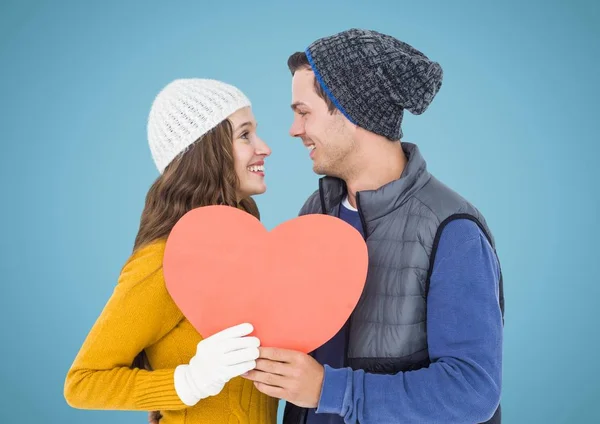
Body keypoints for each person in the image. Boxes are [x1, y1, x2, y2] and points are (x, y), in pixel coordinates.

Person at [242, 28, 505, 424]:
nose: (294, 129)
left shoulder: (452, 230)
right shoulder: (316, 213)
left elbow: (471, 390)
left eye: (303, 112)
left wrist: (329, 390)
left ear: (351, 111)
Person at [64, 78, 279, 424]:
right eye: (245, 135)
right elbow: (83, 383)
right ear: (206, 152)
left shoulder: (245, 249)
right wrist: (189, 381)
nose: (264, 147)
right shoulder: (164, 260)